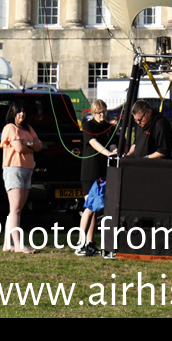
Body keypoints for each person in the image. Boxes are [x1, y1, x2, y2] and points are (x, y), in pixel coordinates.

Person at [74, 98, 115, 258]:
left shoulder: (108, 127)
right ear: (93, 113)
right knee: (89, 207)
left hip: (102, 171)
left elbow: (112, 143)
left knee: (96, 209)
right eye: (99, 112)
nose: (102, 115)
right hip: (90, 172)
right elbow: (94, 143)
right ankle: (80, 242)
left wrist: (115, 150)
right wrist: (108, 153)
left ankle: (90, 243)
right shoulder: (88, 126)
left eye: (104, 112)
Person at [0, 100, 42, 253]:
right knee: (15, 208)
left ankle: (7, 243)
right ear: (12, 113)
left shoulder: (28, 128)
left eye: (23, 111)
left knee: (16, 209)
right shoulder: (10, 128)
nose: (21, 114)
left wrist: (28, 144)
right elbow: (19, 148)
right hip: (14, 169)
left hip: (27, 170)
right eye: (18, 111)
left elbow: (39, 145)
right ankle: (18, 244)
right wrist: (29, 145)